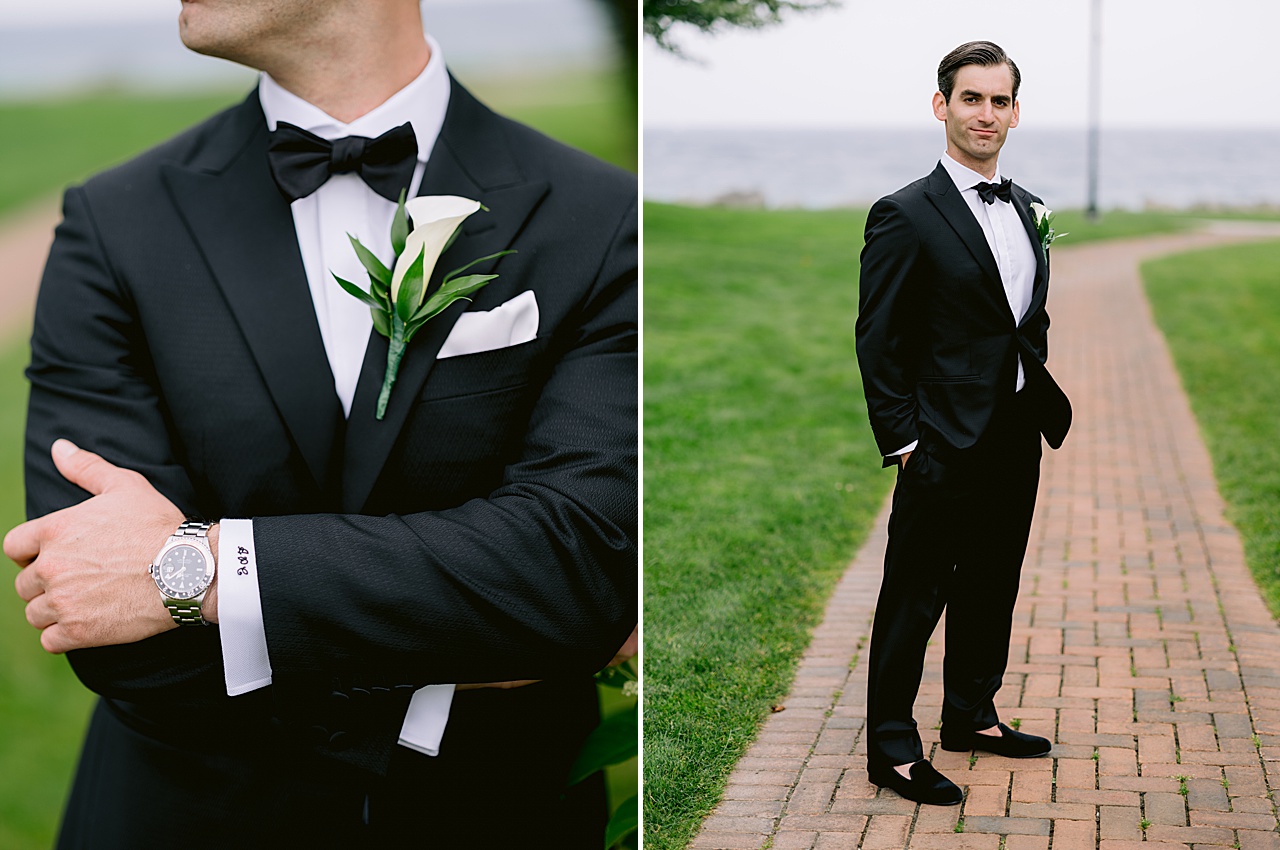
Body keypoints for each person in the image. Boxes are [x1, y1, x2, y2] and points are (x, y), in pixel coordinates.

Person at [2, 1, 637, 846]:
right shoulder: (113, 223)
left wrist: (200, 574)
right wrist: (488, 641)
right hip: (186, 819)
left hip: (497, 815)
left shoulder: (601, 217)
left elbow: (577, 569)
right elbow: (113, 630)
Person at [855, 40, 1072, 806]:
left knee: (993, 581)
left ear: (1017, 111)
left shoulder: (1025, 207)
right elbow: (878, 339)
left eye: (1000, 101)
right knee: (914, 594)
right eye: (971, 99)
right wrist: (907, 442)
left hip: (1014, 432)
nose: (987, 114)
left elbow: (1024, 318)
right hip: (940, 442)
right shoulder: (905, 214)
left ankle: (971, 716)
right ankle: (891, 749)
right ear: (942, 105)